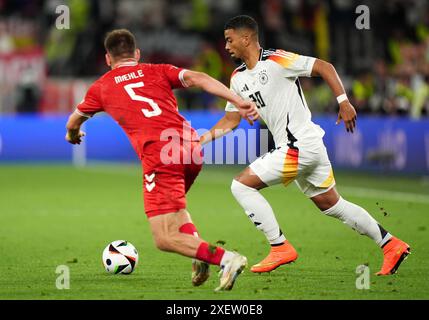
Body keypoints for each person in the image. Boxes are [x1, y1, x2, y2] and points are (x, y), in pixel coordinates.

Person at [200, 16, 410, 276]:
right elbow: (232, 119)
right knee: (332, 204)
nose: (227, 47)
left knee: (241, 185)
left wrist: (343, 101)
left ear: (246, 39)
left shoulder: (277, 60)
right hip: (305, 146)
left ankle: (279, 246)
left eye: (229, 40)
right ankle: (391, 245)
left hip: (298, 144)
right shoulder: (237, 78)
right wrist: (202, 140)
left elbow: (324, 66)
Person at [65, 29, 259, 291]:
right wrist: (238, 100)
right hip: (191, 148)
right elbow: (198, 77)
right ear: (136, 54)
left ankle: (227, 259)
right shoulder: (158, 70)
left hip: (160, 154)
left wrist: (73, 135)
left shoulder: (101, 86)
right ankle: (197, 254)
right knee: (176, 212)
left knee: (164, 237)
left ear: (108, 59)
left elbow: (74, 121)